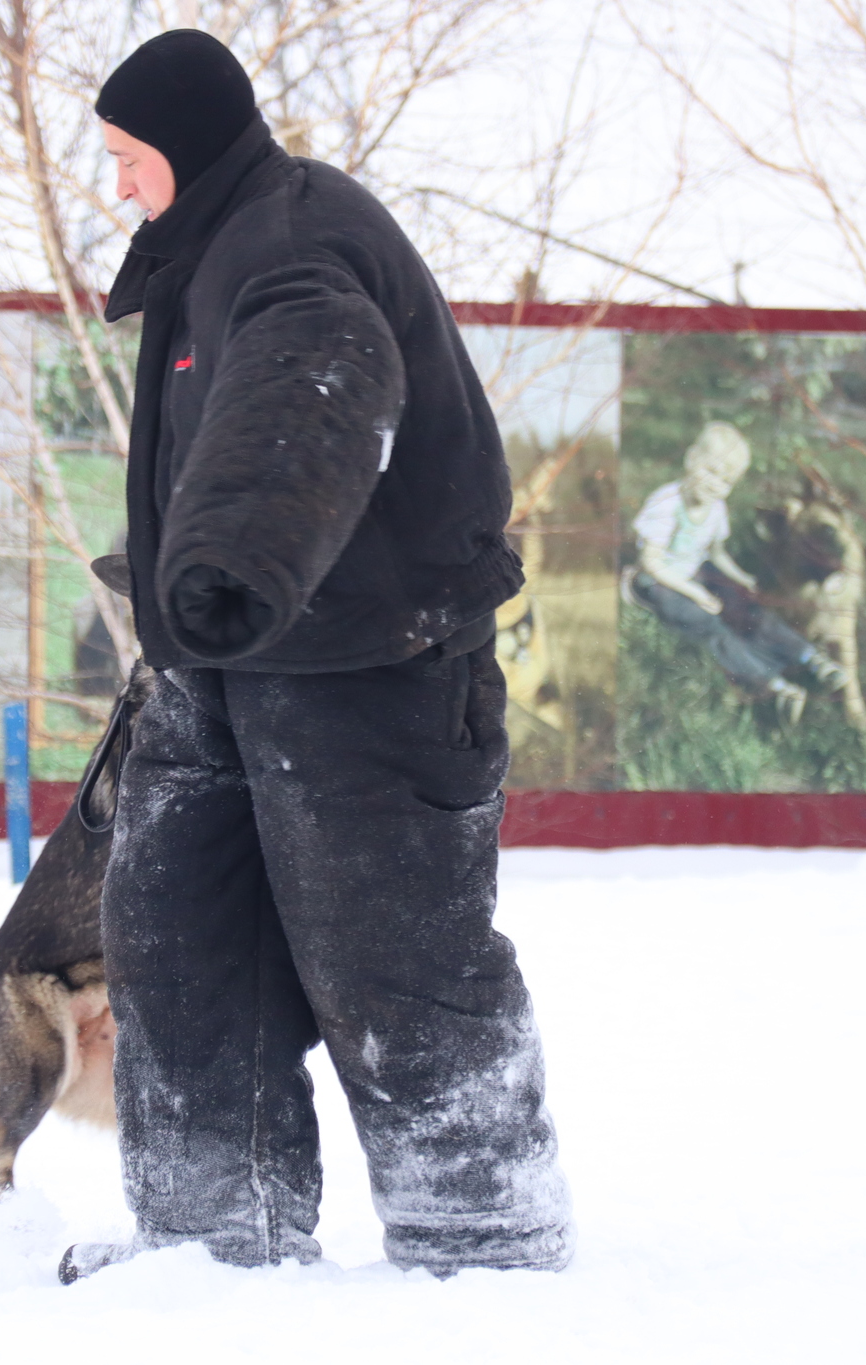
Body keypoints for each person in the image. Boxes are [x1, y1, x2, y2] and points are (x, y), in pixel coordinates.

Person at [62, 29, 573, 1283]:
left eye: (129, 160)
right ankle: (209, 1244)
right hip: (223, 666)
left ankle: (483, 1252)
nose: (119, 186)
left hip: (368, 673)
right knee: (179, 944)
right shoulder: (211, 247)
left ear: (184, 145)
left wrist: (234, 555)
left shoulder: (292, 241)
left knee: (392, 965)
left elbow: (314, 384)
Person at [628, 421, 845, 726]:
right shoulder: (667, 503)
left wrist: (740, 579)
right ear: (691, 459)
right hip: (657, 582)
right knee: (708, 623)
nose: (716, 485)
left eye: (726, 481)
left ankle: (809, 658)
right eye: (711, 472)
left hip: (694, 573)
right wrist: (695, 593)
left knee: (746, 607)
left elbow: (715, 553)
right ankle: (771, 686)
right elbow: (651, 563)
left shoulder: (716, 508)